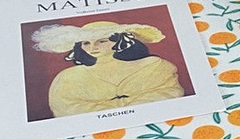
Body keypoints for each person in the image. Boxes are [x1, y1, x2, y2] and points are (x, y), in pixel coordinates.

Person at [31, 20, 185, 118]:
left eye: (102, 41)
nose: (93, 47)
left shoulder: (154, 65)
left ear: (120, 41)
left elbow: (170, 94)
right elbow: (65, 109)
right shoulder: (68, 77)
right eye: (86, 43)